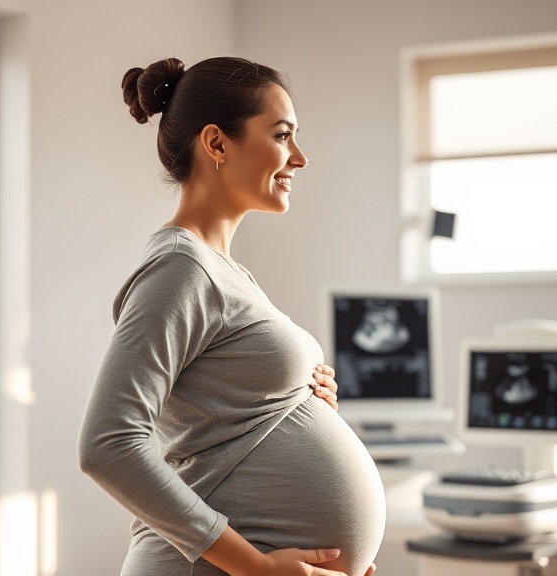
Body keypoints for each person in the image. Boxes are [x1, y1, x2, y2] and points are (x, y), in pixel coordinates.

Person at [78, 56, 386, 576]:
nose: (301, 158)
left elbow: (225, 415)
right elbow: (108, 445)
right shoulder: (180, 268)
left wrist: (302, 403)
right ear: (217, 144)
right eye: (283, 136)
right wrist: (257, 568)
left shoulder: (226, 272)